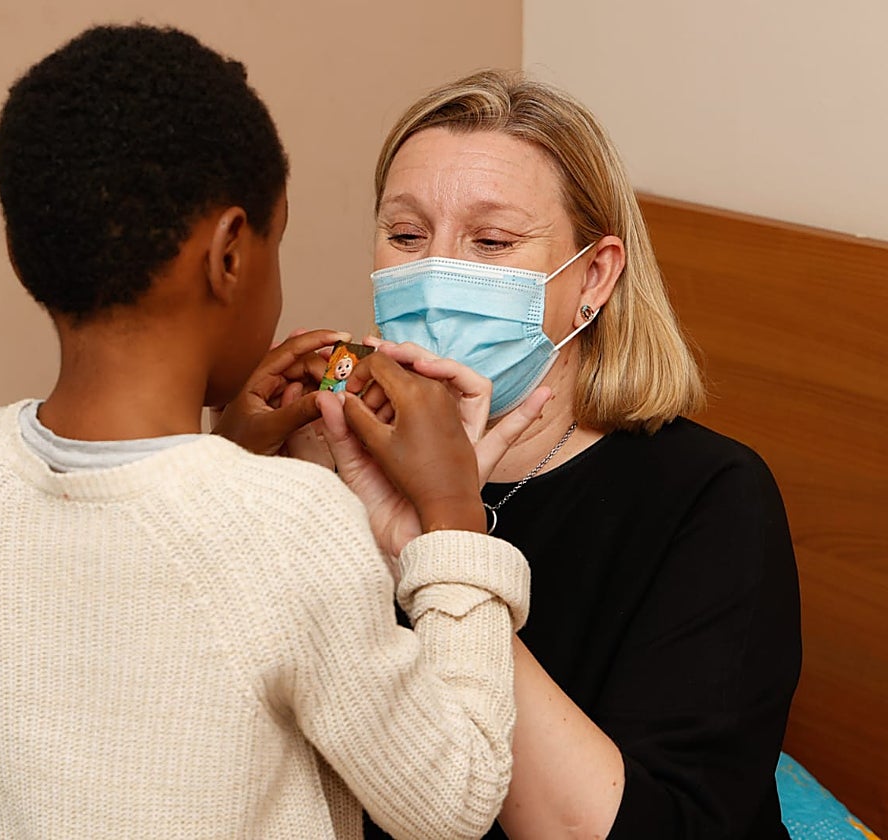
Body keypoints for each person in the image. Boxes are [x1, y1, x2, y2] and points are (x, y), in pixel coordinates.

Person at [0, 26, 546, 840]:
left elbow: (147, 622)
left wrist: (225, 450)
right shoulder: (285, 523)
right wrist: (453, 508)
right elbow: (451, 801)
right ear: (231, 256)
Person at [314, 70, 801, 839]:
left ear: (594, 277)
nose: (437, 276)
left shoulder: (710, 495)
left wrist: (448, 545)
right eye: (406, 235)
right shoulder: (333, 464)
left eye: (493, 241)